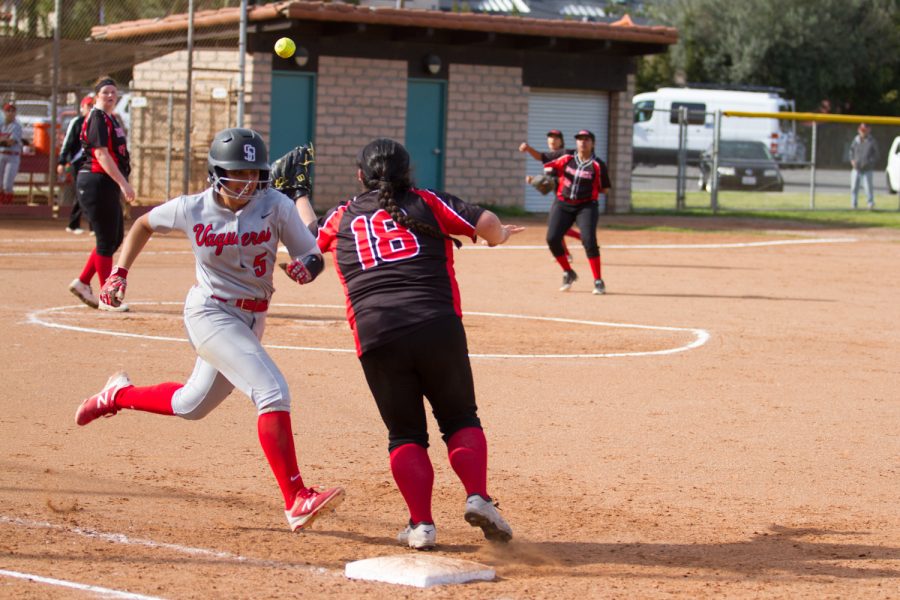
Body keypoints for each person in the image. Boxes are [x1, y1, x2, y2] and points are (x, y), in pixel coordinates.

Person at [74, 127, 345, 532]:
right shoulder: (192, 207)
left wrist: (308, 267)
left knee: (190, 404)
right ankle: (296, 498)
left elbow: (311, 251)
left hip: (252, 319)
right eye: (239, 173)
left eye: (254, 173)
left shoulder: (275, 204)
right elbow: (143, 225)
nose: (249, 181)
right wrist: (119, 273)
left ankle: (118, 394)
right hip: (209, 312)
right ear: (217, 172)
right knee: (271, 391)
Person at [306, 138, 523, 550]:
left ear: (359, 176)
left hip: (376, 334)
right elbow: (488, 223)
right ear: (408, 174)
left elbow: (303, 244)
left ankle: (421, 525)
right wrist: (500, 237)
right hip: (436, 324)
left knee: (404, 434)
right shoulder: (426, 201)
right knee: (460, 418)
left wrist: (298, 196)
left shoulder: (341, 215)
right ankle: (477, 496)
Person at [68, 77, 135, 311]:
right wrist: (124, 184)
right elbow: (101, 154)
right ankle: (108, 296)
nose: (110, 96)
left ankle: (83, 283)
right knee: (106, 240)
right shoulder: (96, 117)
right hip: (95, 181)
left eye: (114, 92)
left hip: (105, 183)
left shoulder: (109, 118)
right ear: (96, 95)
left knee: (114, 238)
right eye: (105, 92)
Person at [542, 129, 611, 295]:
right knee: (552, 238)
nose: (583, 142)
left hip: (586, 206)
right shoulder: (567, 159)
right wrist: (544, 178)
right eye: (580, 139)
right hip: (563, 203)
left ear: (592, 143)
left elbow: (605, 189)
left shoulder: (598, 165)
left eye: (586, 139)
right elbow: (547, 165)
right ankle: (568, 272)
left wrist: (587, 189)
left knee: (589, 240)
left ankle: (598, 280)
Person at [519, 129, 581, 260]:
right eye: (550, 137)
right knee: (556, 227)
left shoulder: (566, 153)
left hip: (570, 198)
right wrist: (534, 180)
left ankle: (582, 239)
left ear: (561, 141)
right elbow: (547, 183)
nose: (552, 140)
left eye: (556, 138)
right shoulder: (548, 158)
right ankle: (568, 251)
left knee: (556, 227)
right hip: (560, 198)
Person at [58, 95, 95, 234]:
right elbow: (67, 143)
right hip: (77, 163)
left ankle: (77, 225)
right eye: (88, 106)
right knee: (84, 193)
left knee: (89, 193)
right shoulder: (77, 122)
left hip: (93, 163)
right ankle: (83, 225)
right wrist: (62, 161)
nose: (91, 109)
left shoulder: (98, 123)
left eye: (93, 106)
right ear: (82, 108)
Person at [849, 123, 880, 210]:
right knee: (854, 187)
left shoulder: (871, 141)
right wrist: (852, 160)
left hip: (867, 169)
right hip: (856, 169)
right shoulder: (856, 140)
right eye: (861, 130)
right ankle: (853, 204)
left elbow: (876, 154)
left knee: (868, 188)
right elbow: (851, 151)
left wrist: (869, 162)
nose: (863, 132)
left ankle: (870, 204)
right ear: (859, 130)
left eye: (864, 130)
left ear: (868, 130)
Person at [0, 102, 23, 205]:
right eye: (8, 110)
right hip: (1, 155)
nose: (10, 113)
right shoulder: (2, 125)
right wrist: (4, 139)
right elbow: (6, 141)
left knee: (7, 185)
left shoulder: (16, 126)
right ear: (4, 112)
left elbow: (10, 142)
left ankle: (8, 207)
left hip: (12, 156)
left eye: (12, 110)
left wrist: (3, 140)